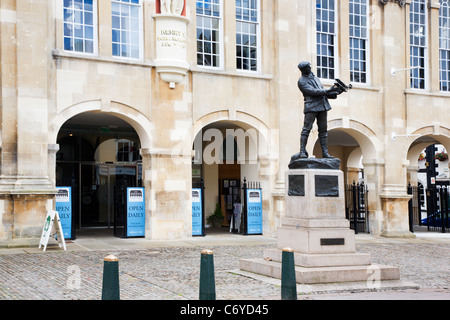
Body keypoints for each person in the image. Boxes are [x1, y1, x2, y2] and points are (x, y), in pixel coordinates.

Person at [297, 61, 341, 158]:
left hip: (322, 106)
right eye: (308, 67)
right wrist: (329, 90)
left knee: (323, 130)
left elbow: (322, 91)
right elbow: (313, 92)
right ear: (304, 69)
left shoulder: (316, 78)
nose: (310, 68)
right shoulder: (302, 81)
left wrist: (335, 93)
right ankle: (302, 151)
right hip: (311, 107)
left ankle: (325, 153)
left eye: (309, 67)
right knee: (306, 129)